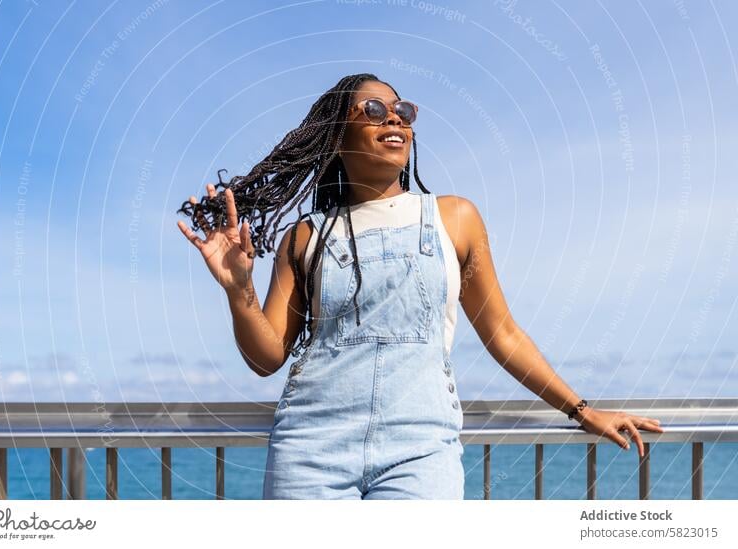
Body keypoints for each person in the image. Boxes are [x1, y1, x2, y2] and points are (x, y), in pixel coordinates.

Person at [176, 73, 664, 499]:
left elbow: (503, 334)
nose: (394, 119)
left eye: (402, 110)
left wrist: (581, 410)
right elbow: (267, 358)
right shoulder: (305, 235)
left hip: (420, 451)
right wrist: (238, 290)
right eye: (373, 110)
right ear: (337, 136)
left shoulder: (454, 218)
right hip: (310, 446)